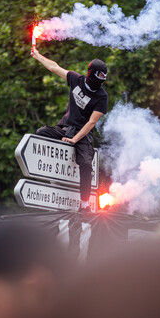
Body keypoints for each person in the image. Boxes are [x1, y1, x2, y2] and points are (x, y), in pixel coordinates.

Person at [31, 48, 108, 211]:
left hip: (83, 134)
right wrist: (38, 55)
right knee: (40, 134)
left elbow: (92, 122)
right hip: (64, 128)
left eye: (104, 76)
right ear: (91, 73)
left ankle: (84, 204)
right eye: (99, 75)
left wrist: (75, 139)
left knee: (86, 163)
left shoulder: (102, 96)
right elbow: (54, 67)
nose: (102, 79)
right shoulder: (76, 79)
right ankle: (52, 179)